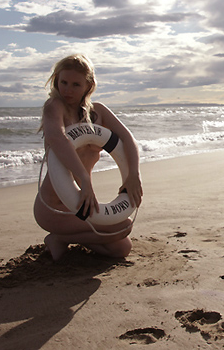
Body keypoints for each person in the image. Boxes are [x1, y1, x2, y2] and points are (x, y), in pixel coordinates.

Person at [33, 54, 143, 260]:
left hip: (83, 204)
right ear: (56, 79)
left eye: (76, 84)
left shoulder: (99, 112)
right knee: (122, 227)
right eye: (63, 82)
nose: (67, 89)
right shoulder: (54, 107)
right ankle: (59, 236)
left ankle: (63, 238)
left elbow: (129, 140)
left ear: (88, 85)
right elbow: (58, 138)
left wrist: (134, 175)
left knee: (122, 246)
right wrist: (84, 179)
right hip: (53, 206)